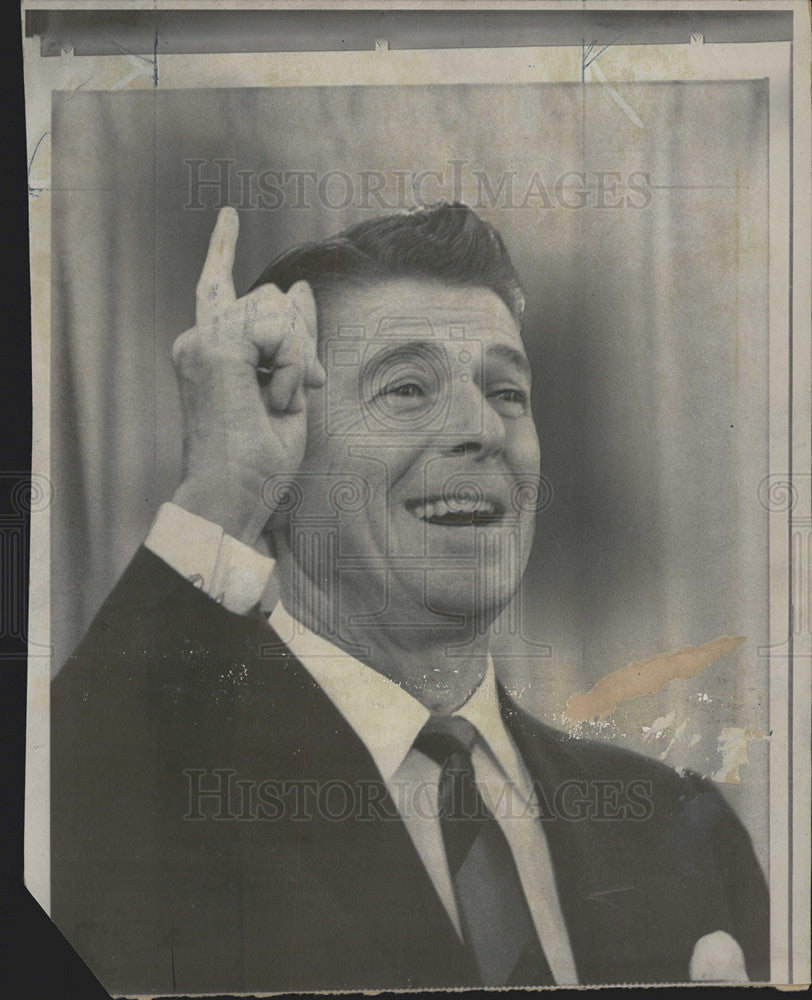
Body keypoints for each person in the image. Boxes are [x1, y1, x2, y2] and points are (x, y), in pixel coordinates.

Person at [51, 203, 769, 994]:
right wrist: (222, 494)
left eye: (506, 392)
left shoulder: (681, 830)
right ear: (280, 447)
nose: (482, 430)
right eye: (407, 388)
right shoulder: (146, 809)